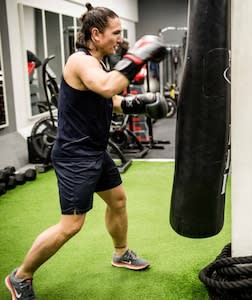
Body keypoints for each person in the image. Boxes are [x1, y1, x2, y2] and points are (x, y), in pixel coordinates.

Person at [5, 3, 167, 300]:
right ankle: (21, 276)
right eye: (115, 33)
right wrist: (138, 57)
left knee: (117, 200)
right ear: (96, 33)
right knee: (71, 225)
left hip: (95, 150)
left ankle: (121, 253)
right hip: (74, 156)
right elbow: (106, 87)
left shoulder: (100, 62)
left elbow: (110, 99)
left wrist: (137, 102)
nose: (119, 39)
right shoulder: (80, 62)